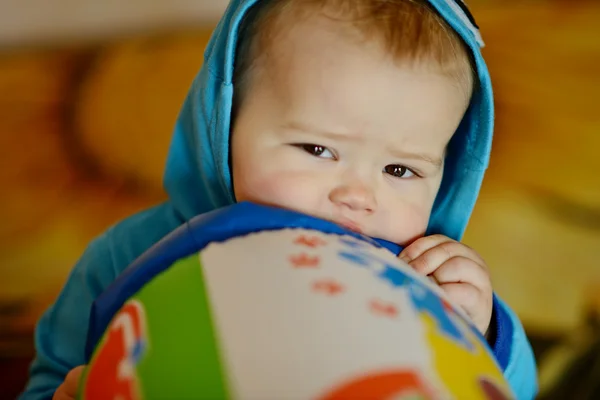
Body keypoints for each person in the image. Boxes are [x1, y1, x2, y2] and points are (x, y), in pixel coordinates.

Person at [21, 0, 538, 399]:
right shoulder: (125, 255)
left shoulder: (420, 278)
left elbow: (506, 388)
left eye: (400, 169)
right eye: (317, 149)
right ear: (223, 127)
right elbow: (51, 373)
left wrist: (482, 332)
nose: (358, 195)